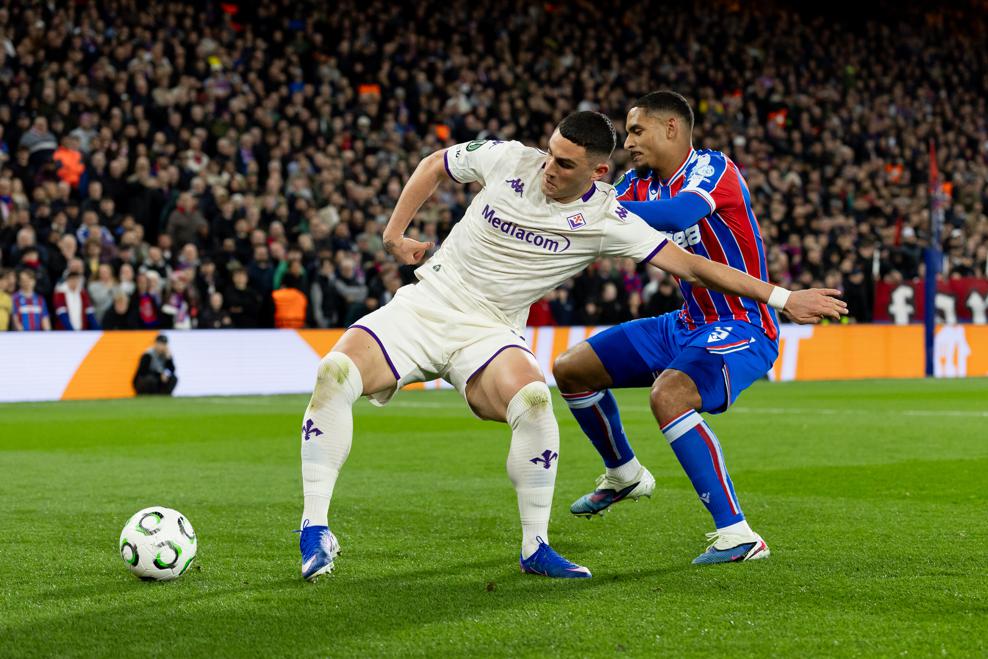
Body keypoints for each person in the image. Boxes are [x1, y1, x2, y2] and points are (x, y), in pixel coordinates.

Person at [295, 111, 846, 582]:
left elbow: (692, 265)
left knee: (535, 402)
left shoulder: (609, 217)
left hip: (491, 332)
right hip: (425, 305)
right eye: (550, 153)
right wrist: (394, 233)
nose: (548, 169)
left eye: (563, 163)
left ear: (597, 171)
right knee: (335, 372)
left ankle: (536, 547)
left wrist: (782, 297)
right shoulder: (510, 158)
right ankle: (315, 529)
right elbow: (435, 163)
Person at [553, 91, 828, 564]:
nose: (628, 143)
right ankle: (624, 474)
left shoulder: (714, 169)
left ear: (671, 128)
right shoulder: (637, 184)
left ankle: (738, 535)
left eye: (636, 131)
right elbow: (595, 215)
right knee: (571, 369)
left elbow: (678, 214)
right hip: (685, 323)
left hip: (743, 325)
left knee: (669, 395)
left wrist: (595, 207)